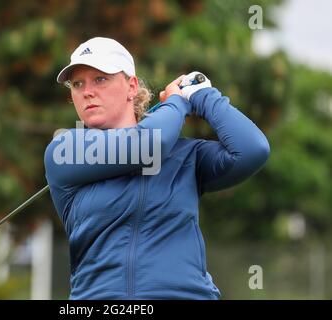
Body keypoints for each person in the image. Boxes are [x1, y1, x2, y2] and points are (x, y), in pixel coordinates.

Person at [44, 37, 270, 299]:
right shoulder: (66, 149)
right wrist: (177, 102)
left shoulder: (184, 155)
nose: (87, 91)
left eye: (100, 79)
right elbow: (150, 142)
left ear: (131, 87)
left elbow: (253, 149)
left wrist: (203, 96)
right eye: (77, 84)